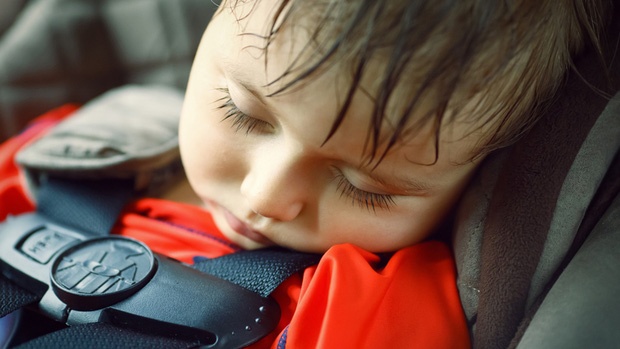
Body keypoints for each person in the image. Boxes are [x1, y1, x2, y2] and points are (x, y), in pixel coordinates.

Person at [0, 0, 608, 348]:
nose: (265, 195)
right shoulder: (76, 151)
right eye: (240, 111)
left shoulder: (370, 307)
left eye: (367, 187)